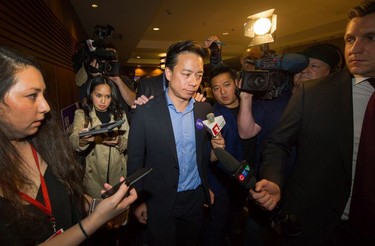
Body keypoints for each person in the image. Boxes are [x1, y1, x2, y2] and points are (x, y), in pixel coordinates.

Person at [249, 1, 375, 244]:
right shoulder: (312, 93)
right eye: (350, 39)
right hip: (311, 224)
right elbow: (277, 143)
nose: (356, 48)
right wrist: (273, 179)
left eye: (370, 38)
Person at [0, 46, 137, 245]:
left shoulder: (47, 145)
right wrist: (95, 219)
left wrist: (93, 205)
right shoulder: (83, 115)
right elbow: (76, 142)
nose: (46, 106)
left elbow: (69, 196)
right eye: (32, 95)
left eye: (43, 94)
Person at [126, 40, 225, 246]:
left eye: (198, 75)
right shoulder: (145, 113)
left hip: (195, 201)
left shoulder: (204, 110)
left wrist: (218, 149)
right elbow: (135, 162)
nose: (193, 82)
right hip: (159, 201)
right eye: (186, 74)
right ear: (169, 73)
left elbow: (206, 157)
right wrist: (138, 201)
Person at [202, 65, 258, 245]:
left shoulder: (252, 108)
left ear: (237, 84)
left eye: (226, 85)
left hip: (247, 177)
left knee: (234, 227)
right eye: (216, 88)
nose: (222, 92)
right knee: (215, 228)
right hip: (220, 182)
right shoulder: (211, 115)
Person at [69, 76, 129, 199]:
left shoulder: (120, 115)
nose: (103, 101)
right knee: (97, 214)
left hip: (118, 175)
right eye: (98, 95)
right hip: (94, 179)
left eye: (107, 96)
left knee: (119, 215)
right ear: (91, 94)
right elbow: (73, 140)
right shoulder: (82, 115)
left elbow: (130, 142)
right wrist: (84, 139)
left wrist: (119, 141)